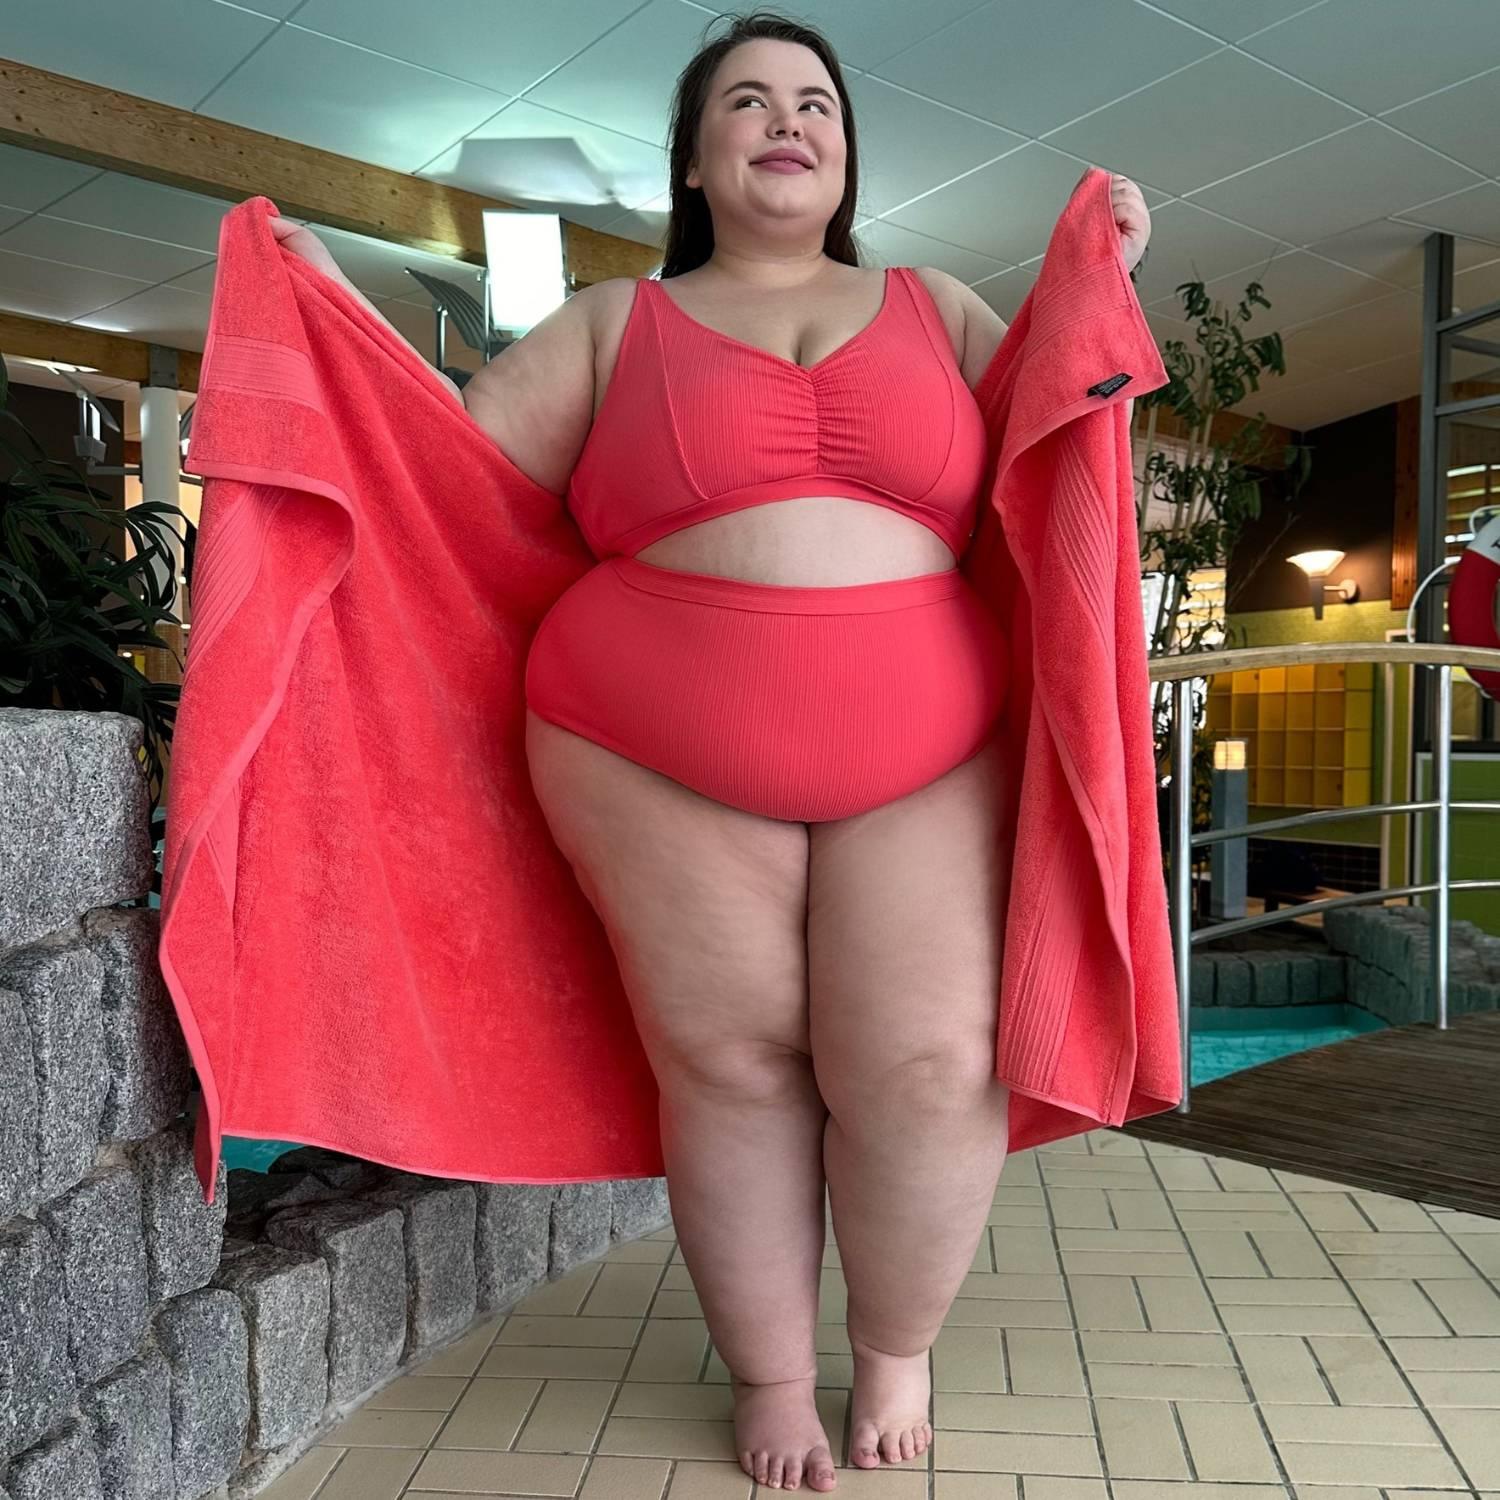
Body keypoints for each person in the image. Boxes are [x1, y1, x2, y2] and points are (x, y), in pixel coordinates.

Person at [271, 10, 1151, 1491]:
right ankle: (767, 1376)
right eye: (746, 101)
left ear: (847, 154)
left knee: (928, 1061)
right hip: (644, 738)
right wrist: (327, 312)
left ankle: (895, 1349)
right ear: (693, 157)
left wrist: (1101, 275)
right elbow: (434, 467)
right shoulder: (613, 323)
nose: (785, 121)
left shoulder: (937, 308)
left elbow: (1058, 428)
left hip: (931, 735)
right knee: (732, 1061)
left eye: (815, 102)